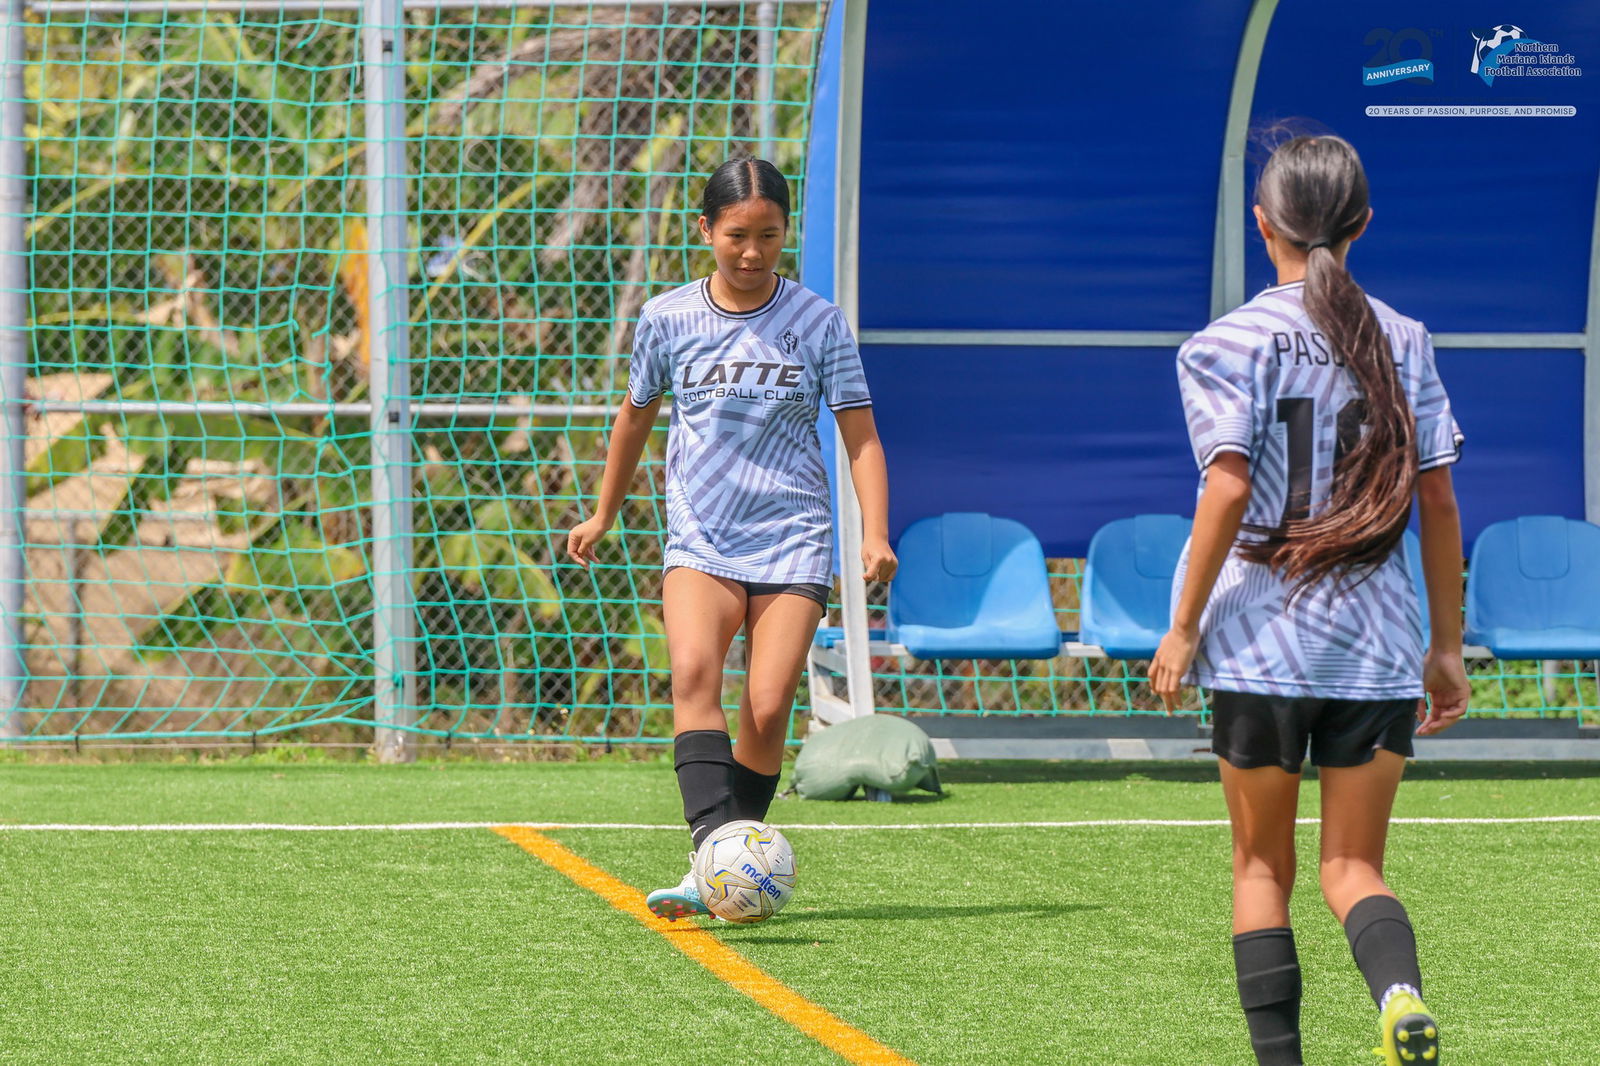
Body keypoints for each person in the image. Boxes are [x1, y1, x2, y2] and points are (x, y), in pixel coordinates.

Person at [1148, 135, 1469, 1066]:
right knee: (1354, 868)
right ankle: (1400, 994)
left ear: (1263, 225)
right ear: (1363, 224)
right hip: (1376, 648)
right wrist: (1445, 648)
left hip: (1258, 646)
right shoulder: (1403, 337)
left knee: (1261, 868)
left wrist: (1180, 628)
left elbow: (1230, 488)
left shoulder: (1226, 342)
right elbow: (1439, 499)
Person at [566, 156, 896, 920]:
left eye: (769, 238)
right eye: (737, 236)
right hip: (702, 535)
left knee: (771, 702)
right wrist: (604, 511)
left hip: (794, 536)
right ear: (706, 230)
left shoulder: (817, 322)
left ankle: (719, 858)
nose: (752, 253)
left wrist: (873, 531)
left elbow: (862, 439)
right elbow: (635, 417)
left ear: (786, 235)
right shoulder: (667, 318)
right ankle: (715, 853)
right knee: (691, 673)